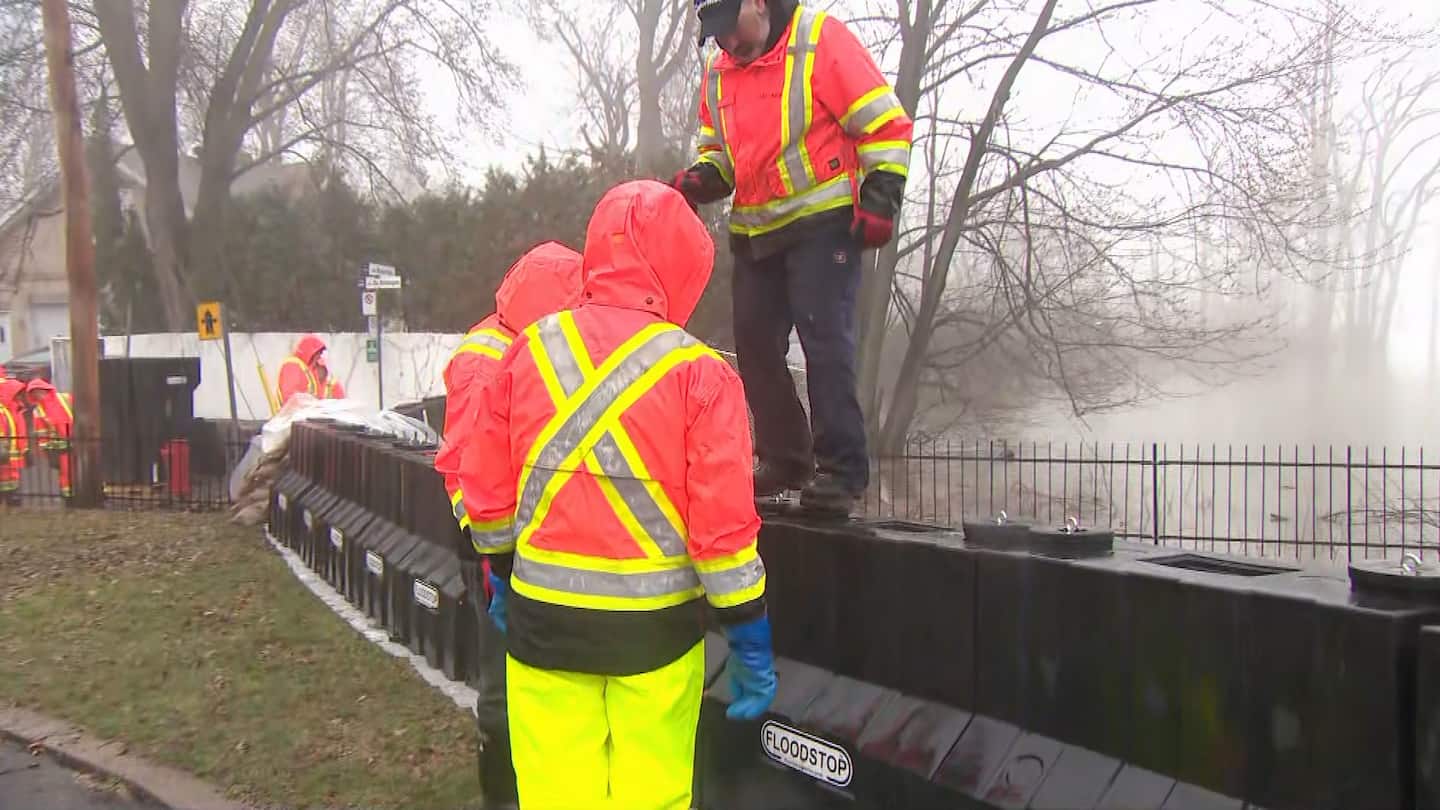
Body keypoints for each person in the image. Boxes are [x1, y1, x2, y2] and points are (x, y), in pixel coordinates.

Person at [457, 180, 777, 810]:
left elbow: (487, 491)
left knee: (554, 798)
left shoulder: (528, 351)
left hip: (541, 627)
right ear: (684, 266)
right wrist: (747, 629)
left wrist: (499, 569)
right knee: (650, 798)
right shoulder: (700, 372)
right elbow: (722, 533)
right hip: (656, 639)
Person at [671, 0, 913, 514]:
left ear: (757, 3)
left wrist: (881, 198)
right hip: (756, 230)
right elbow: (719, 155)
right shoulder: (718, 75)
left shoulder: (819, 39)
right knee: (755, 346)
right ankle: (785, 458)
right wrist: (698, 179)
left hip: (824, 226)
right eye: (715, 36)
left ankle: (842, 470)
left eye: (731, 28)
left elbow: (885, 124)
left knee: (825, 342)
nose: (727, 44)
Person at [431, 240, 583, 808]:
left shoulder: (506, 345)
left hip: (509, 540)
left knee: (526, 675)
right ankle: (504, 794)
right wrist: (495, 556)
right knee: (503, 681)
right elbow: (472, 472)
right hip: (494, 544)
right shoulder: (493, 361)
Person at [23, 378, 73, 498]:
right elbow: (41, 433)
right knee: (66, 473)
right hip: (60, 448)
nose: (37, 395)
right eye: (34, 393)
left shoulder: (65, 398)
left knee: (79, 470)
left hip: (77, 440)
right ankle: (68, 496)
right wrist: (46, 450)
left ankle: (77, 493)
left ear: (45, 389)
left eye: (38, 391)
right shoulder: (38, 410)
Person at [275, 334, 342, 406]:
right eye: (317, 364)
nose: (321, 372)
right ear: (313, 357)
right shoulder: (293, 366)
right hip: (289, 416)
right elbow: (291, 401)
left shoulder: (331, 384)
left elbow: (343, 409)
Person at [0, 378, 27, 504]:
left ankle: (12, 498)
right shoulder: (4, 411)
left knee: (12, 478)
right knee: (4, 479)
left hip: (12, 454)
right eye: (17, 393)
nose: (20, 396)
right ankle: (9, 498)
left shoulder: (15, 409)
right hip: (5, 453)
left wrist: (24, 449)